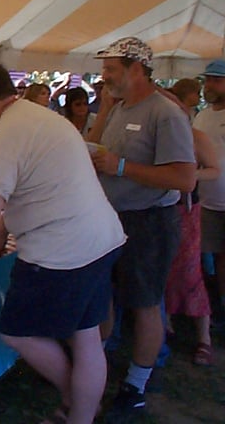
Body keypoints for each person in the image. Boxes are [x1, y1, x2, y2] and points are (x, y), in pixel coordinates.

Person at [0, 61, 125, 424]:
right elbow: (28, 186)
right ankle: (81, 412)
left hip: (63, 252)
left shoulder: (7, 134)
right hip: (101, 239)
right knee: (87, 336)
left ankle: (75, 402)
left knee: (17, 332)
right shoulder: (39, 117)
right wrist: (2, 229)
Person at [86, 36, 195, 420]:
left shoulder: (165, 114)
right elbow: (97, 147)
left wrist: (120, 167)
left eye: (110, 70)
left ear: (136, 70)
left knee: (146, 304)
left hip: (149, 222)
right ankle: (92, 369)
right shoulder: (119, 107)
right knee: (104, 297)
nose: (103, 77)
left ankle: (135, 386)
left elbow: (185, 179)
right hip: (112, 218)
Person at [163, 79, 219, 366]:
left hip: (187, 210)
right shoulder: (161, 135)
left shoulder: (196, 136)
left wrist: (189, 176)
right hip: (161, 210)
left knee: (189, 270)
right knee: (166, 267)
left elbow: (214, 170)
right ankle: (168, 323)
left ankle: (203, 337)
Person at [193, 58, 225, 327]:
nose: (209, 85)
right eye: (208, 80)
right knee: (214, 256)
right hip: (209, 199)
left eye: (216, 80)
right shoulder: (202, 116)